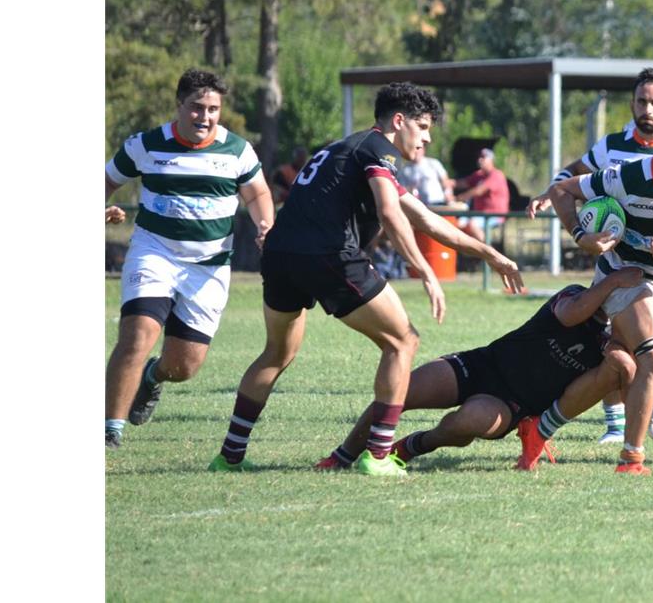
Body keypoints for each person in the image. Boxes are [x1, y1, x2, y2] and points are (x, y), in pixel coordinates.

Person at [208, 83, 524, 475]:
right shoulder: (379, 149)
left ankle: (230, 456)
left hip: (280, 255)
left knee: (277, 353)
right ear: (398, 121)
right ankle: (376, 457)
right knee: (403, 340)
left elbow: (424, 217)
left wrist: (492, 255)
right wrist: (426, 271)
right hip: (329, 256)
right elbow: (390, 214)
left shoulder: (349, 148)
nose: (426, 138)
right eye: (422, 127)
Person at [527, 68, 653, 443]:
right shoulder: (622, 172)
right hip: (620, 268)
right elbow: (565, 188)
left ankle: (543, 428)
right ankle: (620, 437)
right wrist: (581, 235)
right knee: (632, 354)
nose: (648, 108)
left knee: (646, 356)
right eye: (642, 100)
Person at [314, 271, 642, 471]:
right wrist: (612, 280)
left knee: (465, 422)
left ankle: (415, 445)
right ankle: (341, 457)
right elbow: (571, 316)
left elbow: (624, 371)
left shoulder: (616, 339)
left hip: (513, 405)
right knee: (401, 390)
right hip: (482, 364)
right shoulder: (573, 294)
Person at [103, 69, 274, 450]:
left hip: (209, 267)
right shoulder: (146, 145)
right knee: (138, 334)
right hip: (155, 253)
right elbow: (107, 180)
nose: (206, 116)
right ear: (179, 105)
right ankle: (109, 429)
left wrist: (266, 226)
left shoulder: (237, 150)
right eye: (197, 107)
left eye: (213, 109)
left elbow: (259, 193)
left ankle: (152, 377)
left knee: (185, 366)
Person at [453, 147, 510, 243]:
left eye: (483, 157)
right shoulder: (478, 175)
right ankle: (472, 253)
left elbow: (479, 190)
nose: (480, 160)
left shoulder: (496, 175)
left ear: (491, 160)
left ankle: (489, 253)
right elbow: (462, 183)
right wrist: (448, 183)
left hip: (494, 215)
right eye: (479, 157)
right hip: (478, 214)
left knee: (472, 224)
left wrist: (459, 198)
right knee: (458, 224)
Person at [398, 143, 456, 208]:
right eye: (414, 149)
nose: (417, 151)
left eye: (419, 148)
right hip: (420, 206)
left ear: (424, 149)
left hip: (439, 203)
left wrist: (448, 194)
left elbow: (445, 181)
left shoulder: (434, 163)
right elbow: (402, 189)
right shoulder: (405, 170)